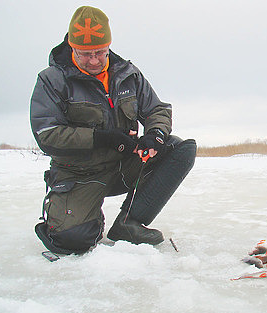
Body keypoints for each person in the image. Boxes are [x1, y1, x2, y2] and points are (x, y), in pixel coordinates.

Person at [30, 6, 196, 255]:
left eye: (100, 52)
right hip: (79, 174)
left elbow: (157, 110)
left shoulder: (127, 74)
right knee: (73, 241)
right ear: (72, 46)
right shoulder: (52, 80)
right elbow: (48, 135)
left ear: (109, 45)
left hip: (123, 166)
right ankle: (84, 217)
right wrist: (103, 139)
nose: (95, 60)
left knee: (182, 149)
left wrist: (155, 134)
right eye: (86, 54)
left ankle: (129, 222)